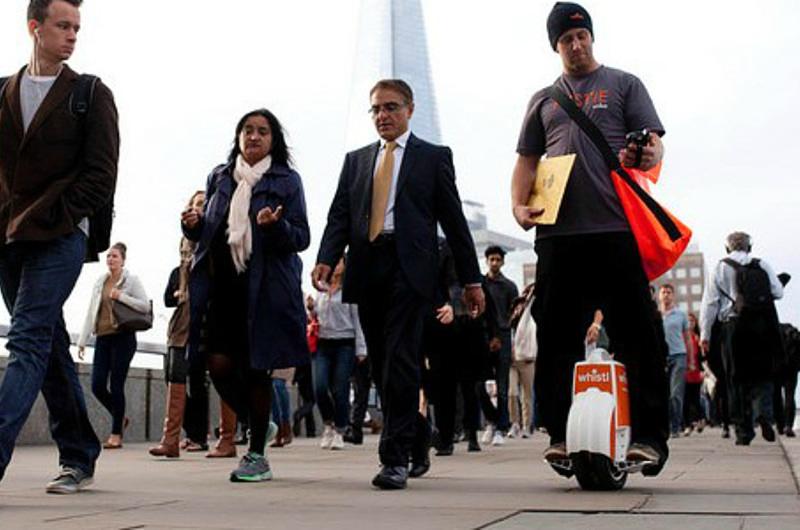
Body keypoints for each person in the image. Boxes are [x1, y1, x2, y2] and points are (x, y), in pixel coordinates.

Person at [510, 2, 669, 470]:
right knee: (556, 335)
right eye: (566, 40)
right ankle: (559, 434)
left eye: (582, 37)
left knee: (638, 333)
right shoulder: (543, 98)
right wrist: (518, 205)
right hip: (558, 235)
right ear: (555, 46)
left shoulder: (624, 84)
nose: (576, 46)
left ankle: (649, 438)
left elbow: (655, 144)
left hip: (617, 230)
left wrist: (646, 153)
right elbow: (525, 161)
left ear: (591, 38)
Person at [313, 79, 485, 490]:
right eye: (375, 109)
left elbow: (455, 222)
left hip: (411, 270)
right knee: (381, 365)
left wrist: (470, 280)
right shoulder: (356, 161)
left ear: (410, 109)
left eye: (391, 107)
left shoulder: (433, 158)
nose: (382, 116)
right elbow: (340, 214)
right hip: (367, 266)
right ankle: (417, 432)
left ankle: (393, 458)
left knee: (402, 360)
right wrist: (325, 257)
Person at [0, 0, 119, 494]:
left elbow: (101, 175)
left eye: (77, 27)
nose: (72, 35)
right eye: (63, 25)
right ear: (35, 26)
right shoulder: (2, 92)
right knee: (46, 345)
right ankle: (79, 452)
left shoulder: (90, 93)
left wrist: (61, 215)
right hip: (9, 237)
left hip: (62, 234)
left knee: (26, 338)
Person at [182, 108, 310, 482]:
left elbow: (301, 237)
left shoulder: (287, 180)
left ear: (274, 141)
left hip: (264, 290)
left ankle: (256, 455)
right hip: (221, 287)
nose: (254, 137)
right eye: (248, 130)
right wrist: (191, 226)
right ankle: (260, 424)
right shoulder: (220, 177)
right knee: (216, 364)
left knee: (256, 369)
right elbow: (209, 234)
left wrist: (275, 226)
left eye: (262, 132)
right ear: (238, 137)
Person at [700, 231, 784, 445]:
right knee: (763, 374)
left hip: (733, 327)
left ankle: (743, 431)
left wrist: (705, 335)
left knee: (735, 379)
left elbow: (709, 304)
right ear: (749, 247)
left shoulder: (719, 267)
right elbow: (778, 292)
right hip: (760, 326)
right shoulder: (761, 264)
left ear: (727, 248)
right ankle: (764, 414)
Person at [149, 191, 206, 458]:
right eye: (194, 205)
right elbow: (166, 299)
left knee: (200, 381)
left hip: (206, 324)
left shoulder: (212, 250)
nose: (197, 209)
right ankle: (171, 439)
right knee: (175, 377)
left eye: (203, 205)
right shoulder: (179, 267)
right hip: (180, 327)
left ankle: (219, 436)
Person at [78, 242, 149, 449]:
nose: (111, 259)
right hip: (102, 337)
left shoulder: (131, 280)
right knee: (97, 385)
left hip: (123, 338)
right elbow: (92, 310)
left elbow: (144, 305)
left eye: (115, 256)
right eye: (109, 256)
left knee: (117, 384)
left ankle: (116, 433)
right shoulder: (101, 281)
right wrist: (82, 341)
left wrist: (121, 296)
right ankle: (120, 416)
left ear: (123, 260)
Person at [314, 258, 367, 450]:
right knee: (319, 386)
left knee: (340, 387)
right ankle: (328, 423)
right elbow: (317, 316)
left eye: (339, 262)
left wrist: (361, 349)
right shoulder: (320, 288)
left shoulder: (350, 290)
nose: (335, 266)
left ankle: (340, 428)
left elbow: (357, 320)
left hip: (345, 342)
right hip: (323, 342)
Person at [481, 246, 518, 445]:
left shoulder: (510, 286)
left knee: (502, 386)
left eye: (497, 259)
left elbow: (516, 316)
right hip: (483, 336)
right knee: (479, 384)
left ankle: (501, 428)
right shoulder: (480, 283)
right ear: (487, 261)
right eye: (491, 259)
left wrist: (513, 343)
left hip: (503, 336)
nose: (494, 262)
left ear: (502, 261)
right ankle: (490, 420)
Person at [658, 284, 693, 437]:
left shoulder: (680, 314)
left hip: (679, 355)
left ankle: (675, 426)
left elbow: (688, 338)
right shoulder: (655, 314)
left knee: (675, 394)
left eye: (669, 292)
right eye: (663, 292)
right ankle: (664, 426)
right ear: (659, 295)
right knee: (662, 394)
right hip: (660, 358)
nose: (666, 295)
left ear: (673, 295)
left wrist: (691, 360)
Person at [508, 284, 536, 439]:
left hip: (527, 359)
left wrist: (530, 292)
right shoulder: (510, 321)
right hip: (512, 360)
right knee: (512, 393)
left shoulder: (529, 318)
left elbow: (532, 299)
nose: (519, 308)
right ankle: (514, 423)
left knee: (527, 395)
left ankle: (526, 425)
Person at [683, 313, 707, 435]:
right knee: (685, 400)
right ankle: (688, 424)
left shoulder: (698, 337)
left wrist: (704, 371)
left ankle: (700, 419)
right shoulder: (681, 336)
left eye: (692, 321)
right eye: (688, 321)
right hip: (684, 372)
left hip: (696, 372)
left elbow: (702, 357)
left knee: (696, 399)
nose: (690, 323)